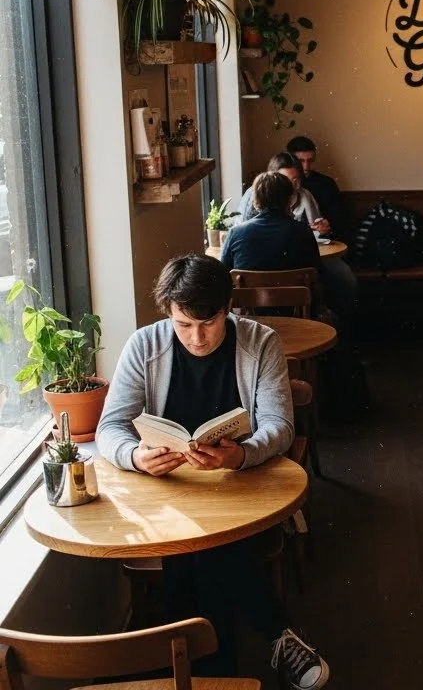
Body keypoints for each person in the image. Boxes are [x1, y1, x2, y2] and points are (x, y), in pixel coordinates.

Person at [95, 254, 330, 690]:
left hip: (241, 487)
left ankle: (202, 672)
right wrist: (135, 456)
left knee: (198, 552)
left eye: (209, 323)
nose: (196, 338)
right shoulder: (145, 345)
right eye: (183, 325)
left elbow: (279, 426)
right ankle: (275, 634)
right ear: (168, 313)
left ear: (228, 309)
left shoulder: (260, 342)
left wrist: (240, 456)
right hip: (169, 490)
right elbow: (110, 426)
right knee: (204, 550)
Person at [220, 172, 325, 316]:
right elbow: (316, 273)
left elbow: (222, 275)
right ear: (290, 200)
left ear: (255, 201)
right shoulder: (303, 231)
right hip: (296, 314)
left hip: (249, 317)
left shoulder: (236, 233)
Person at [240, 153, 325, 232]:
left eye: (296, 179)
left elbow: (315, 229)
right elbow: (244, 229)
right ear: (272, 178)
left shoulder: (305, 195)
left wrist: (322, 230)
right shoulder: (256, 194)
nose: (293, 185)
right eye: (286, 180)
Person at [288, 135, 347, 241]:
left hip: (320, 241)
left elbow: (340, 219)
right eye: (301, 161)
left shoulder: (326, 183)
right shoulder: (281, 184)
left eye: (310, 160)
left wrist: (328, 226)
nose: (306, 167)